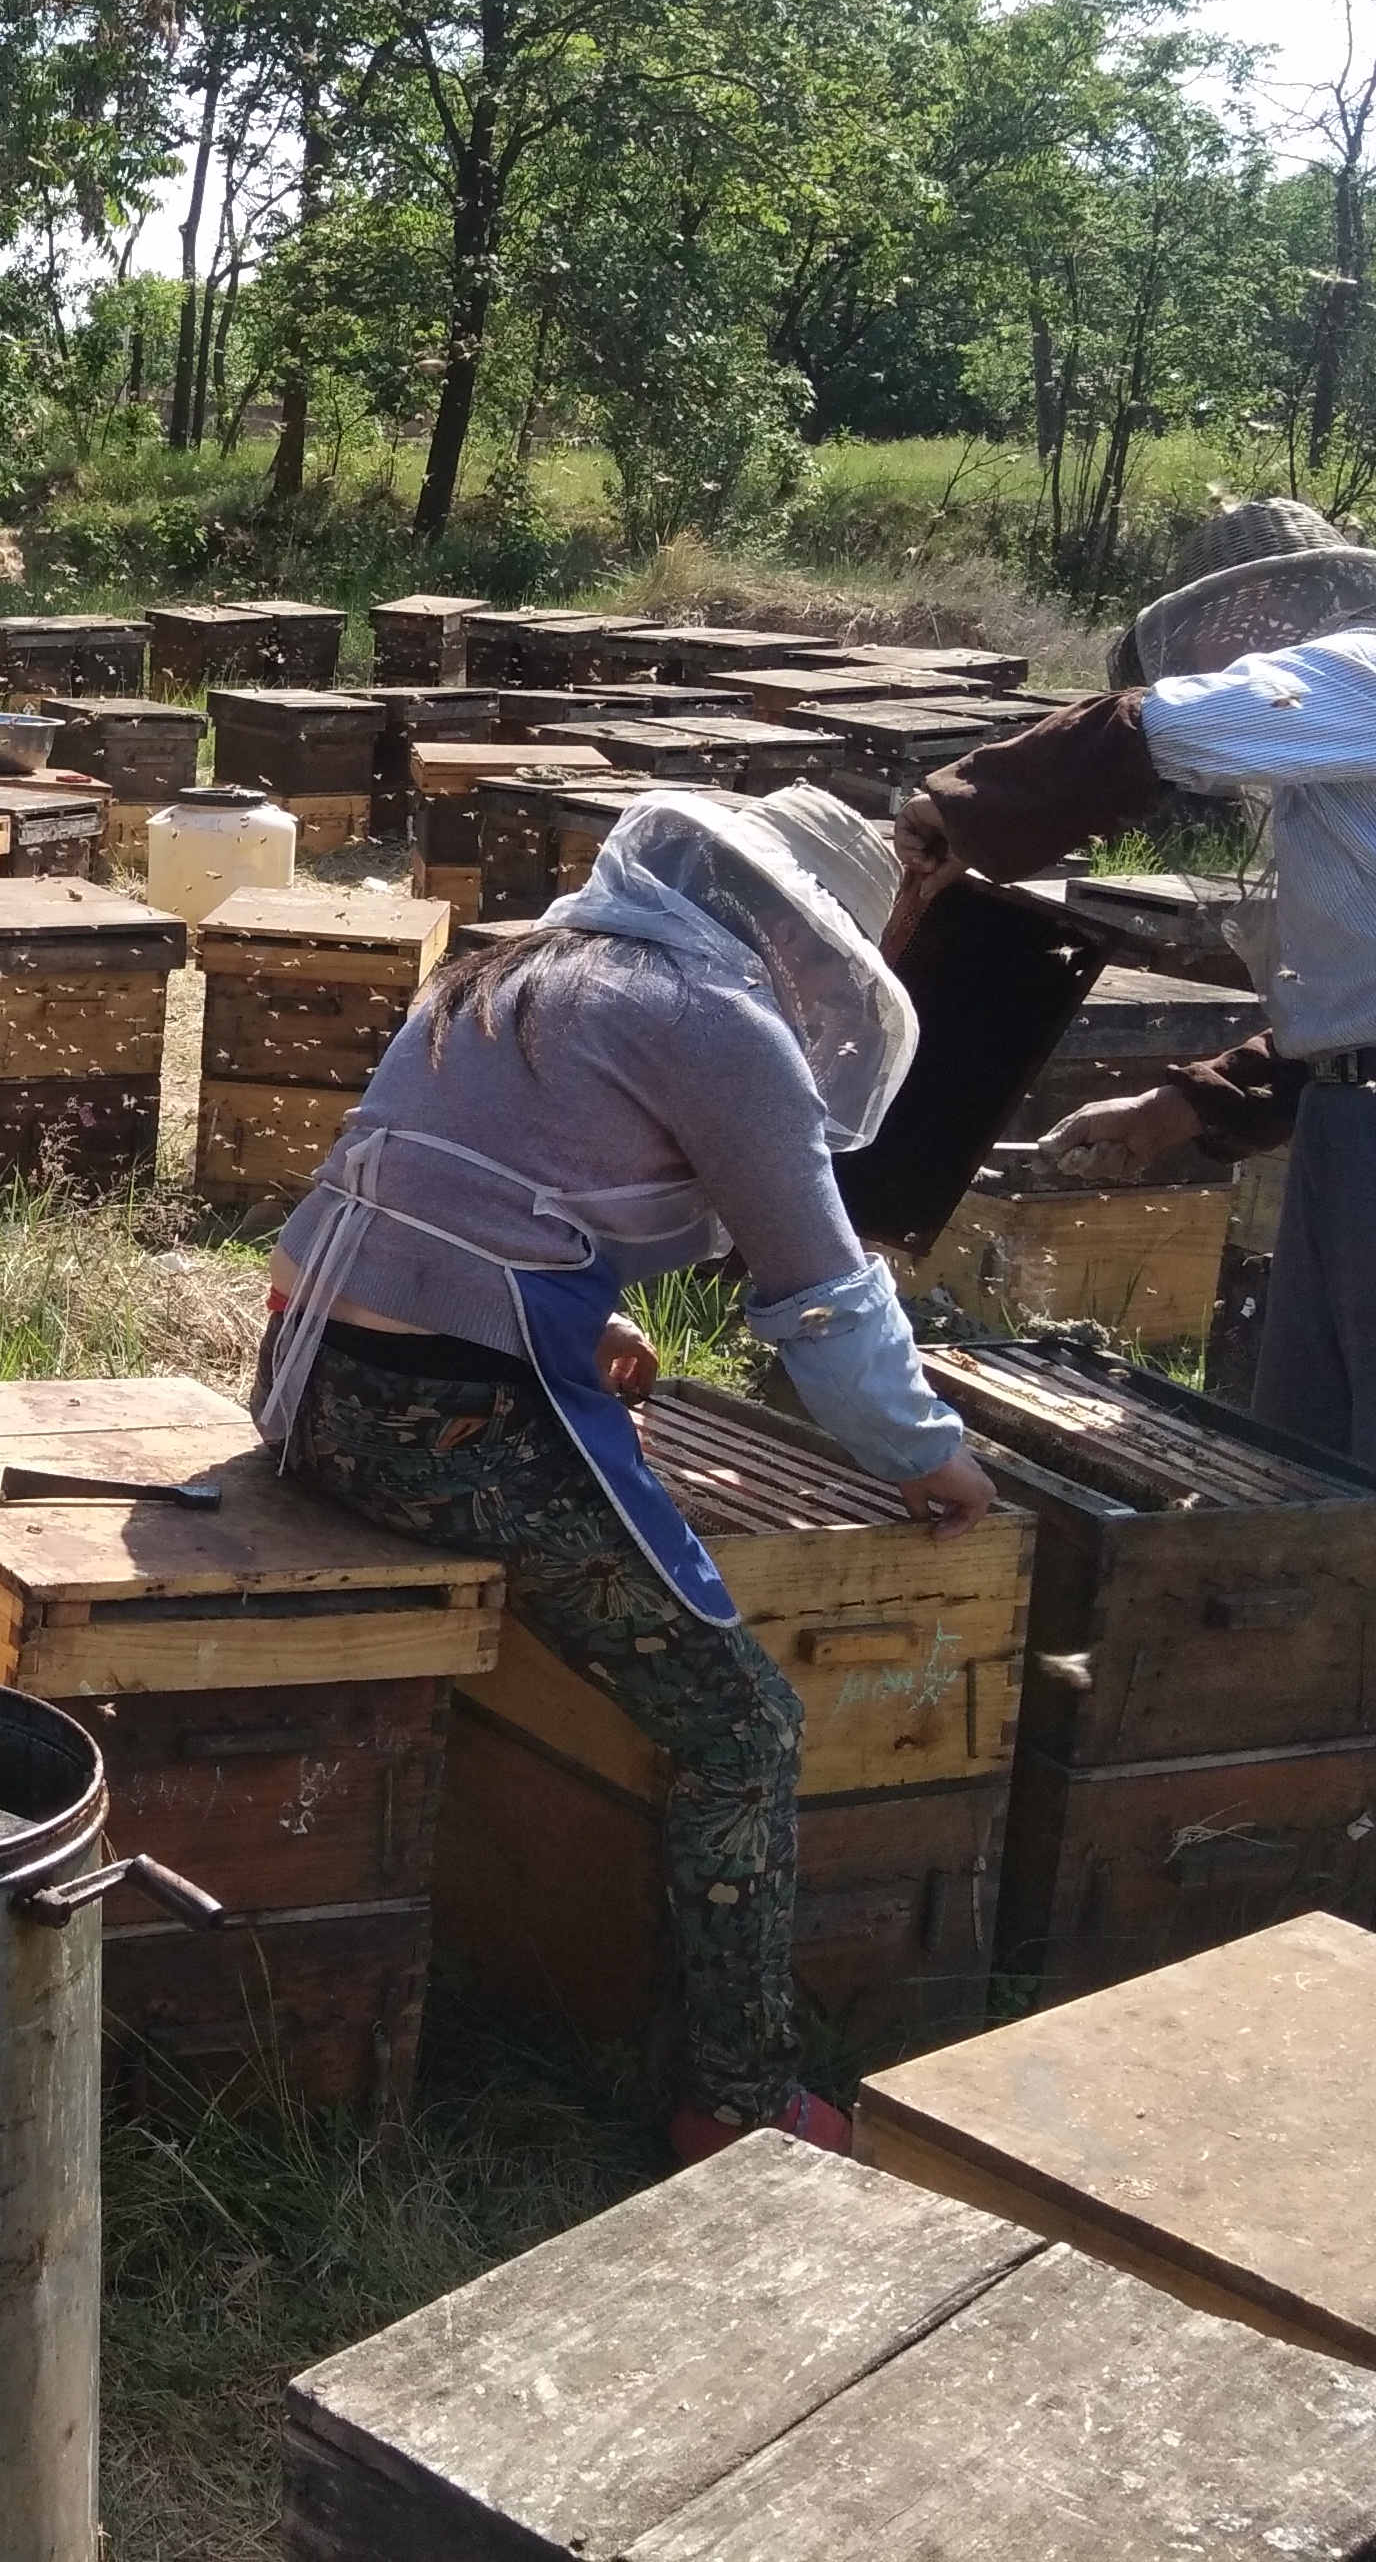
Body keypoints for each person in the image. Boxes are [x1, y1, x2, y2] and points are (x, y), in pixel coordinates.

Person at [891, 498, 1376, 1987]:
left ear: (1275, 610)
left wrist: (944, 814)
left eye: (1216, 627)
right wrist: (1187, 1109)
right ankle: (1321, 1859)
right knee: (1314, 1516)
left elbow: (1151, 731)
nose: (1207, 650)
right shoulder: (1349, 751)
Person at [253, 782, 993, 2161]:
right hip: (447, 1428)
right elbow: (822, 1295)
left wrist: (580, 1314)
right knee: (744, 1729)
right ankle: (740, 2097)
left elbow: (434, 1186)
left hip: (306, 1390)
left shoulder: (510, 967)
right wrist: (929, 1457)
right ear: (793, 928)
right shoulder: (720, 1026)